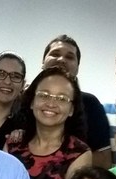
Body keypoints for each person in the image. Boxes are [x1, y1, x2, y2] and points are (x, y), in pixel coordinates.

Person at [7, 66, 92, 179]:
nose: (51, 104)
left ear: (71, 109)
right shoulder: (12, 145)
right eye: (44, 95)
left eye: (61, 98)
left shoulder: (79, 154)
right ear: (32, 101)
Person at [41, 34, 111, 168]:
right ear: (43, 62)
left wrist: (51, 159)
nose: (61, 60)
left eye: (69, 57)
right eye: (55, 54)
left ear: (77, 68)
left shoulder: (90, 104)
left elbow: (104, 160)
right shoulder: (25, 101)